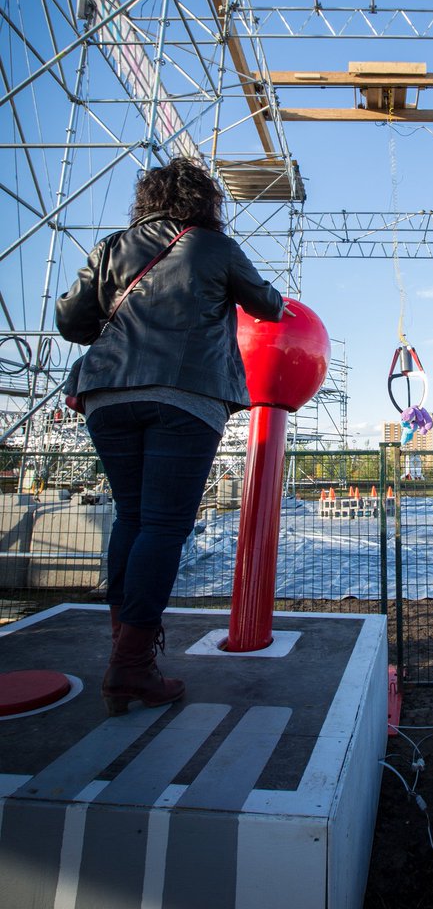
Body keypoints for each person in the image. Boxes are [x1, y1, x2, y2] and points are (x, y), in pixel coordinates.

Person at [56, 157, 286, 715]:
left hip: (108, 395)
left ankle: (125, 654)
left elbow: (70, 321)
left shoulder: (113, 247)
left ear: (148, 199)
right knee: (163, 525)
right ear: (204, 202)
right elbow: (269, 306)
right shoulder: (213, 247)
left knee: (131, 518)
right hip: (184, 395)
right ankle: (131, 666)